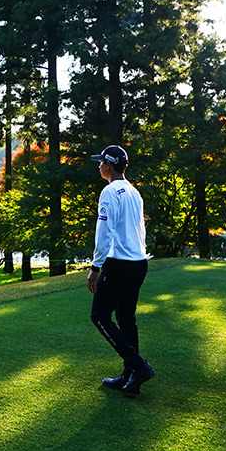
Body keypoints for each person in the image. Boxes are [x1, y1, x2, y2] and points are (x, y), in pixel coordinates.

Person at [86, 145, 156, 396]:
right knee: (126, 318)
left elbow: (104, 231)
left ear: (109, 165)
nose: (98, 166)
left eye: (101, 162)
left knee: (100, 316)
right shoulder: (134, 191)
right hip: (138, 263)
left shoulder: (109, 191)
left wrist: (96, 267)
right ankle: (130, 375)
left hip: (120, 263)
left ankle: (138, 366)